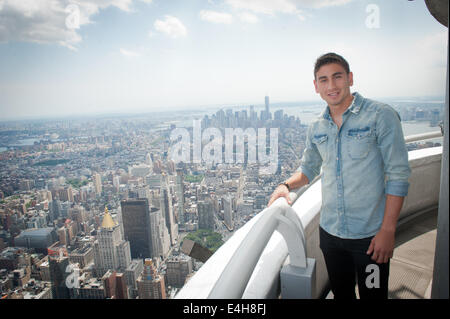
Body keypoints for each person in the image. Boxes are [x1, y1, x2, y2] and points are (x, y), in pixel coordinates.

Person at [267, 52, 411, 299]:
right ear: (316, 86)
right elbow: (308, 169)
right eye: (323, 80)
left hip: (370, 236)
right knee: (342, 294)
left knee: (374, 295)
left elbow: (398, 174)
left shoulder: (380, 115)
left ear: (350, 78)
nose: (331, 86)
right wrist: (285, 185)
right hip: (331, 235)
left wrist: (388, 230)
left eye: (337, 77)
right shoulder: (317, 127)